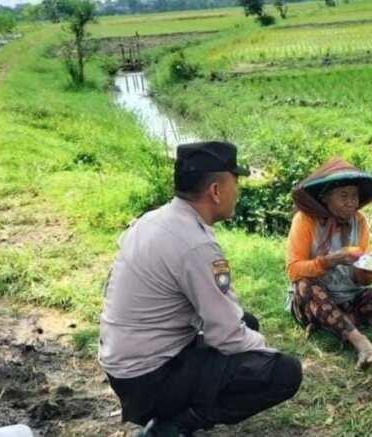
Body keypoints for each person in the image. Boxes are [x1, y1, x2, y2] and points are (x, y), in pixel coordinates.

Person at [98, 141, 302, 437]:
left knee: (247, 321)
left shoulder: (154, 220)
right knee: (284, 372)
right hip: (148, 378)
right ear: (216, 191)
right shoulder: (195, 245)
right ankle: (171, 425)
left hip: (124, 365)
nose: (238, 192)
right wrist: (266, 351)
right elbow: (228, 336)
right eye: (236, 183)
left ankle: (172, 413)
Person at [285, 158, 372, 369]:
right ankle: (359, 341)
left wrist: (371, 268)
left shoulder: (358, 221)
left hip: (350, 297)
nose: (351, 202)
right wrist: (329, 261)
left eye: (355, 196)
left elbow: (360, 280)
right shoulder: (305, 220)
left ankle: (332, 322)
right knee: (304, 284)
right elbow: (293, 270)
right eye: (343, 196)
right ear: (325, 197)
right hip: (313, 298)